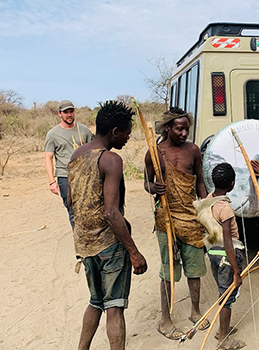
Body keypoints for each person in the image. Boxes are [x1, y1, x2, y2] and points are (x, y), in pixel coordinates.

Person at [67, 100, 147, 350]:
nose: (127, 138)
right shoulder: (110, 160)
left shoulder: (76, 155)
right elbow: (112, 213)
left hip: (85, 243)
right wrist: (134, 253)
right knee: (115, 306)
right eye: (126, 133)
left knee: (95, 301)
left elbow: (72, 200)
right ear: (114, 131)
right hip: (109, 245)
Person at [144, 107, 208, 340]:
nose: (184, 133)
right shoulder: (154, 152)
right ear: (167, 128)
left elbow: (200, 183)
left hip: (191, 216)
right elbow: (146, 183)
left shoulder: (193, 151)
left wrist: (206, 211)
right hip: (166, 217)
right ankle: (165, 319)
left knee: (195, 269)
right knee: (168, 270)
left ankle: (195, 310)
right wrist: (153, 188)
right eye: (179, 129)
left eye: (186, 129)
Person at [194, 162, 246, 350]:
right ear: (232, 184)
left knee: (223, 292)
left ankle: (223, 329)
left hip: (213, 254)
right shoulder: (225, 209)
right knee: (227, 296)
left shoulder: (206, 200)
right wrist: (236, 271)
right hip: (225, 257)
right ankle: (223, 338)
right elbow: (229, 243)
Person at [45, 99, 93, 228]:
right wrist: (51, 181)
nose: (69, 115)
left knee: (88, 206)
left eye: (71, 111)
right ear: (59, 114)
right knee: (72, 210)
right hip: (65, 176)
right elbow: (48, 157)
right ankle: (79, 240)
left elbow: (95, 150)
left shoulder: (84, 130)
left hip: (84, 174)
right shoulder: (53, 134)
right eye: (66, 112)